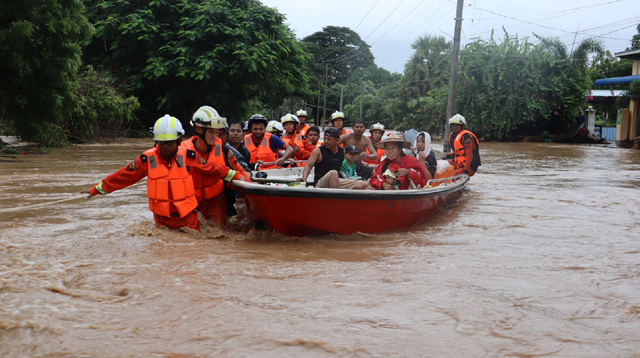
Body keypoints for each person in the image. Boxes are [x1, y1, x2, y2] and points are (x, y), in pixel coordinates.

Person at [80, 115, 243, 231]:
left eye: (170, 143)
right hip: (162, 220)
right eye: (162, 143)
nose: (166, 146)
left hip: (187, 218)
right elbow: (124, 176)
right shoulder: (146, 160)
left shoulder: (188, 156)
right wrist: (97, 189)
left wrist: (233, 175)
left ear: (179, 141)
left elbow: (211, 168)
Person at [181, 107, 250, 227]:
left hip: (215, 201)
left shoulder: (223, 148)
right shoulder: (184, 150)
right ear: (199, 129)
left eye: (216, 132)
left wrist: (251, 192)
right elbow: (206, 167)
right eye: (211, 132)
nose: (215, 136)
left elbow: (240, 169)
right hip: (191, 201)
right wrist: (232, 175)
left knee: (220, 233)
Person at [298, 128, 368, 189]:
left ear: (337, 140)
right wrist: (304, 178)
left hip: (336, 181)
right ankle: (335, 201)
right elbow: (309, 166)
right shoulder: (318, 151)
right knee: (333, 173)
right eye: (324, 139)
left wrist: (362, 163)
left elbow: (352, 160)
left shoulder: (341, 152)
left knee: (363, 184)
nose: (326, 142)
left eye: (329, 139)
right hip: (321, 183)